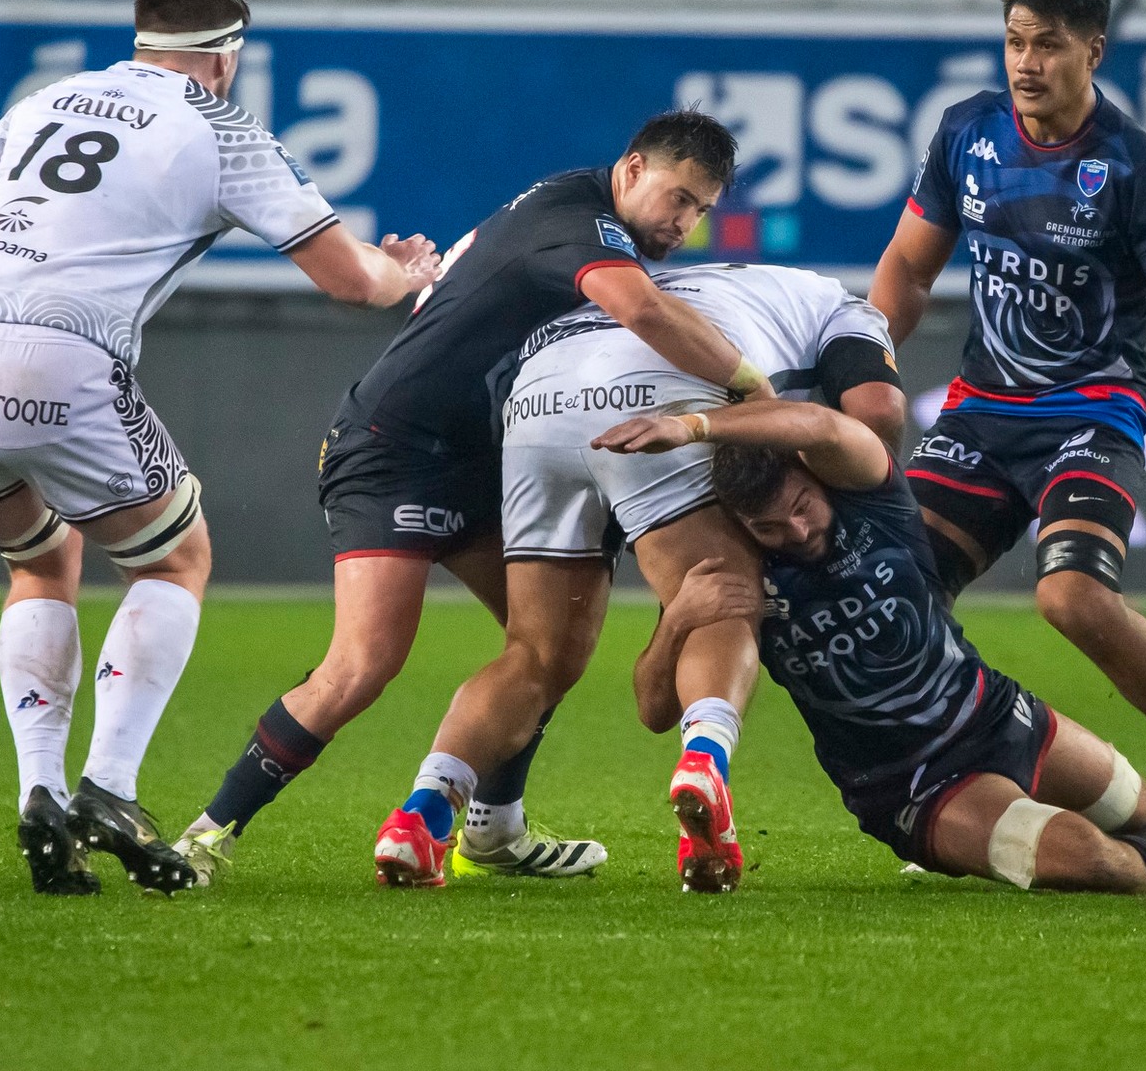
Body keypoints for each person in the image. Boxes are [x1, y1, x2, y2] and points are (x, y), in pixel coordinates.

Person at [0, 0, 440, 895]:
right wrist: (402, 272)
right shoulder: (221, 127)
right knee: (171, 559)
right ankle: (107, 786)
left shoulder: (53, 97)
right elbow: (349, 280)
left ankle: (39, 791)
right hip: (57, 357)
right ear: (227, 58)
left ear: (143, 40)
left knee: (38, 561)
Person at [175, 110, 769, 885]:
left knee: (551, 646)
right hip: (393, 449)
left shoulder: (577, 216)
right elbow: (648, 314)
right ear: (631, 169)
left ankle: (492, 832)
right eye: (679, 197)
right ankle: (204, 834)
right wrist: (752, 388)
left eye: (701, 210)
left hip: (477, 456)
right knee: (362, 664)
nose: (685, 222)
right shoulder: (580, 222)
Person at [869, 0, 1146, 862]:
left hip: (1090, 415)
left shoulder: (1136, 167)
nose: (1026, 63)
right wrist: (866, 360)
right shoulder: (967, 134)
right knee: (893, 594)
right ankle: (951, 780)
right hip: (983, 413)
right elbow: (908, 267)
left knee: (1072, 598)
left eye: (1049, 46)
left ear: (1093, 50)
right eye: (1015, 42)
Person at [594, 396, 1146, 899]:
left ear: (813, 480)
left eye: (800, 507)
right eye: (770, 527)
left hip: (996, 712)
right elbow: (654, 707)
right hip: (915, 786)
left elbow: (828, 429)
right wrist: (675, 620)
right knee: (1094, 863)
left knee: (1143, 809)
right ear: (741, 526)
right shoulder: (740, 582)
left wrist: (697, 424)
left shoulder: (877, 502)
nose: (796, 531)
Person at [369, 263, 906, 891]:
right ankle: (705, 758)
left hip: (539, 400)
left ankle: (420, 817)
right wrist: (858, 496)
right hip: (658, 390)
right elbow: (876, 406)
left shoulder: (648, 274)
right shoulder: (841, 306)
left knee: (536, 652)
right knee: (720, 598)